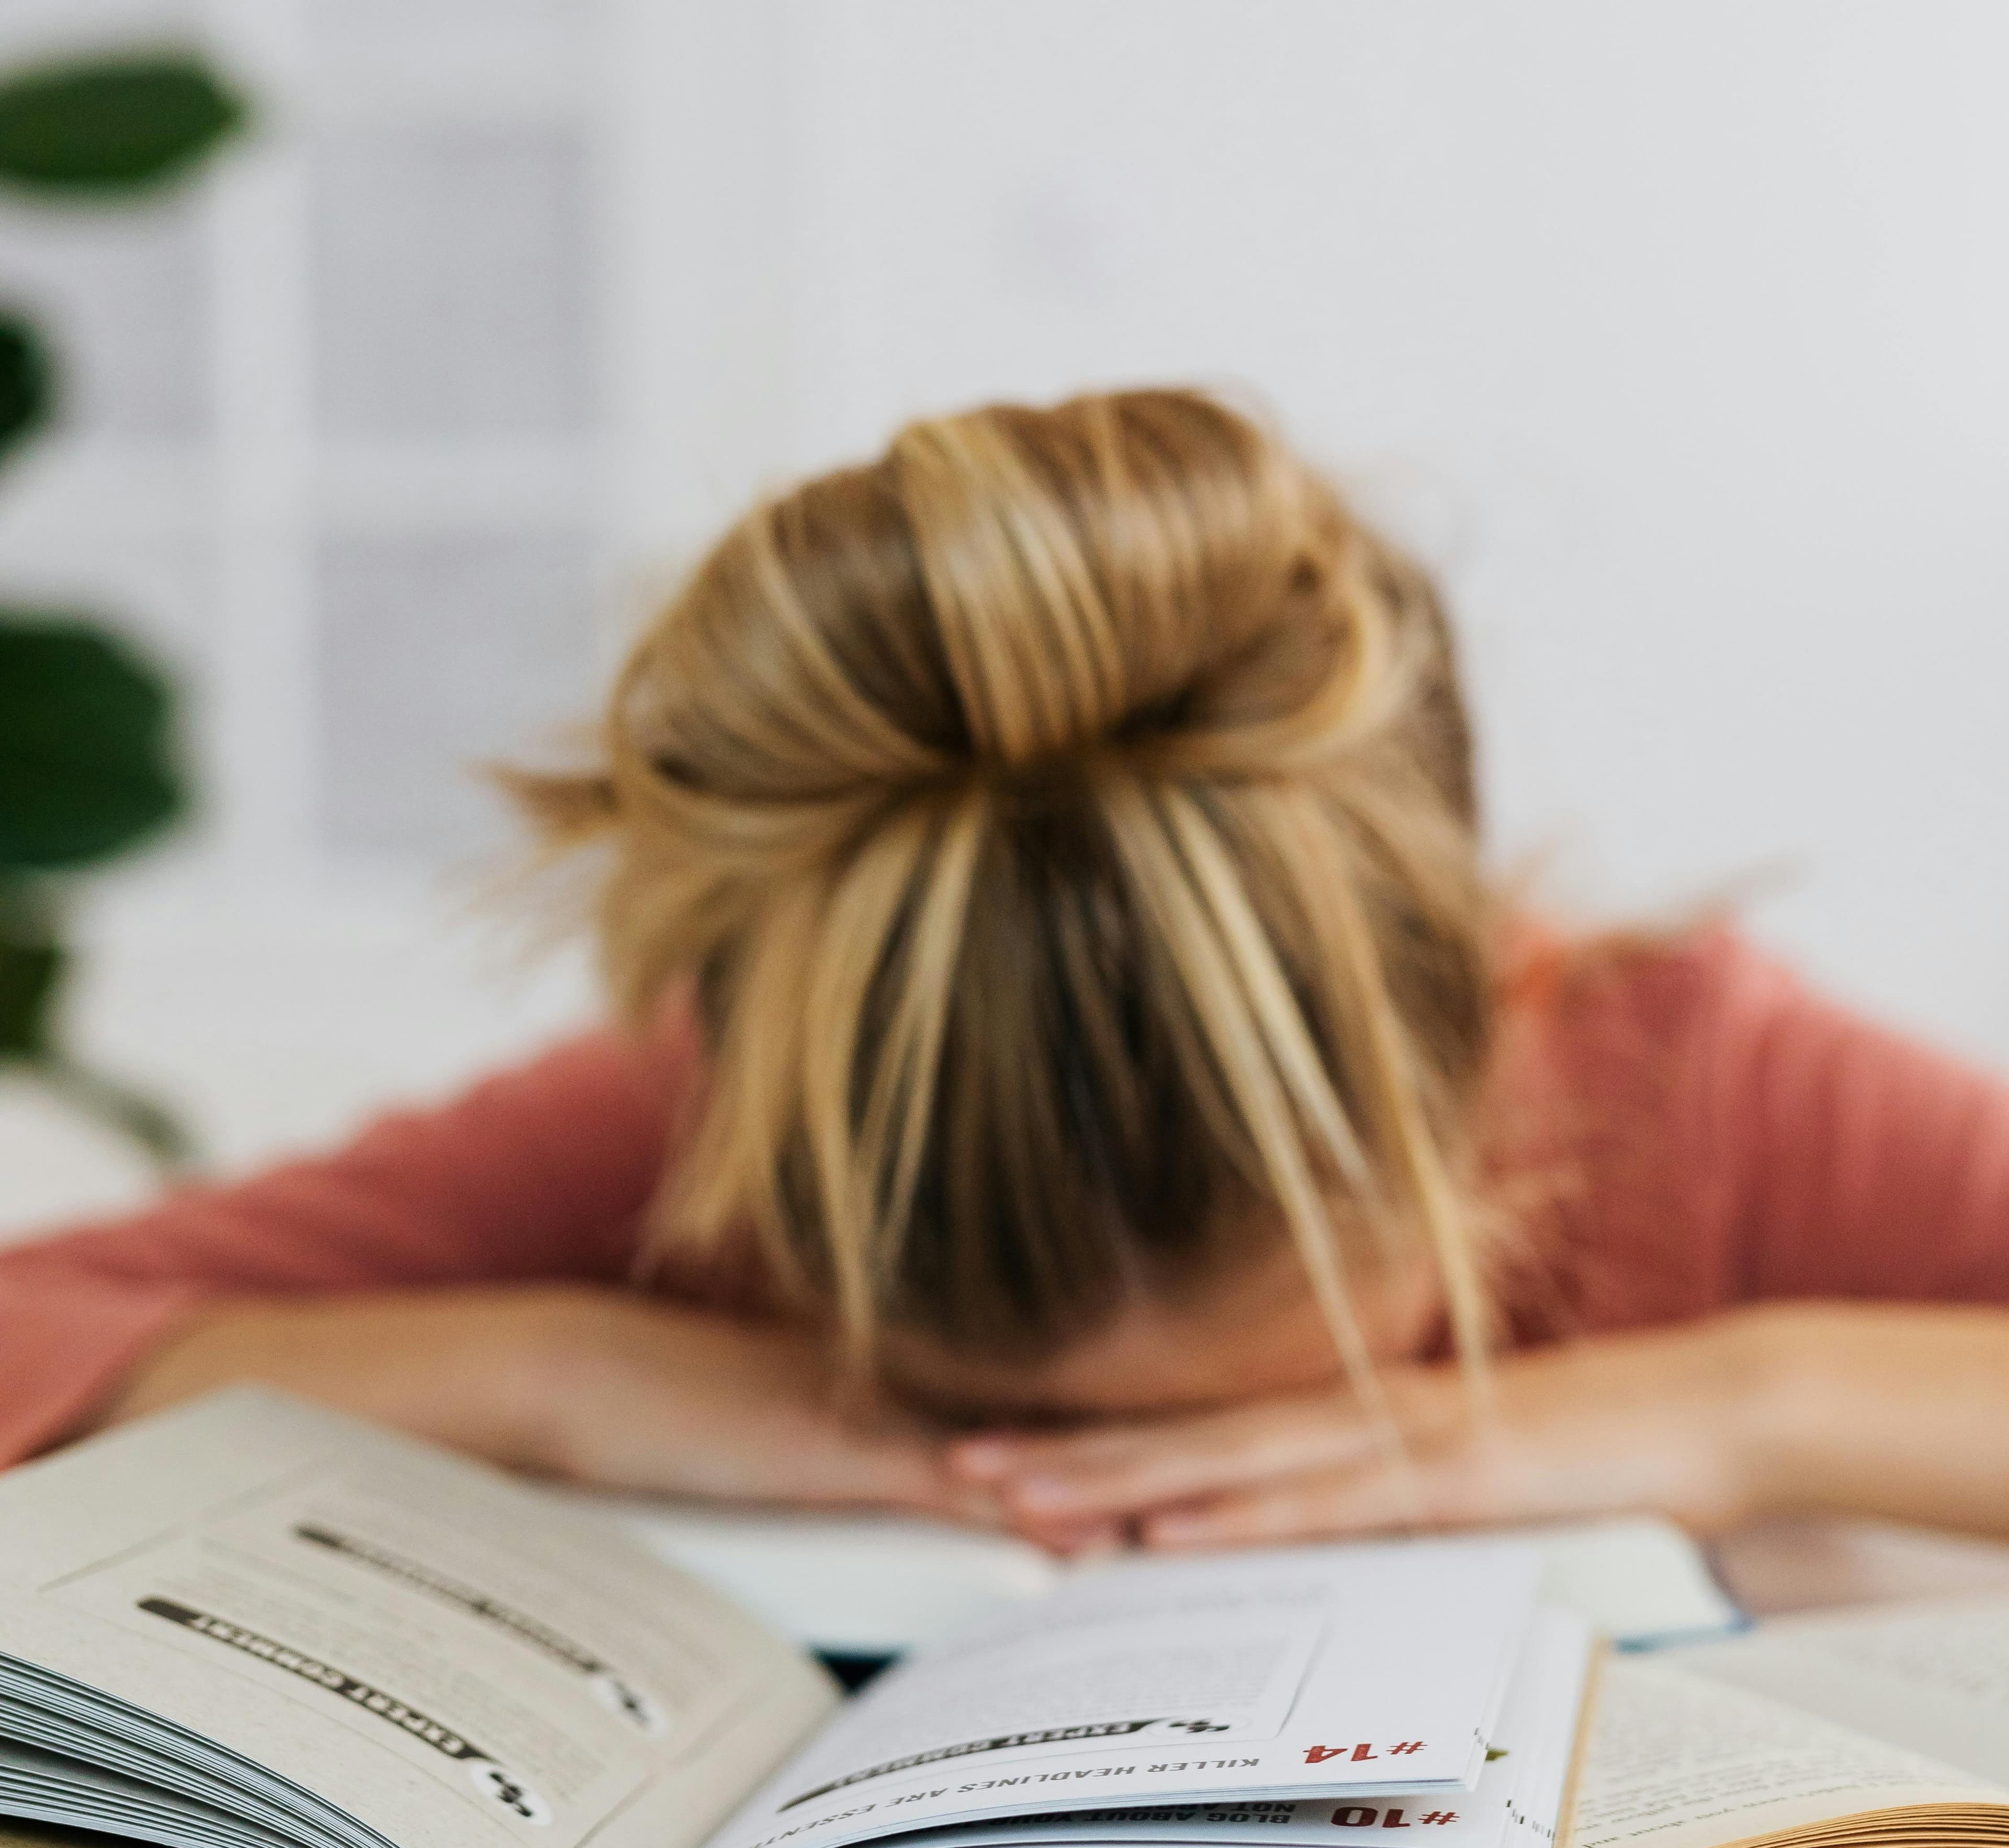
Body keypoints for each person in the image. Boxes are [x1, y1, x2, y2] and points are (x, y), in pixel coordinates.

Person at [6, 387, 2009, 1562]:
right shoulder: (717, 1106)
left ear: (1472, 1042)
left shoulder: (1693, 1088)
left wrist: (1747, 1406)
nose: (1122, 1529)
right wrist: (565, 1372)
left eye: (1310, 1424)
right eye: (990, 1439)